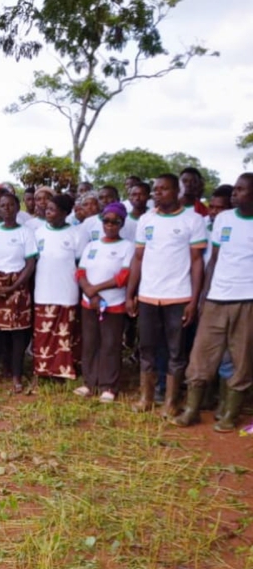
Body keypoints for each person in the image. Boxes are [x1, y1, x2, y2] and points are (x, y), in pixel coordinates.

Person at [176, 174, 253, 431]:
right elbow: (214, 260)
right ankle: (192, 409)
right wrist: (202, 297)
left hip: (247, 300)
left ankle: (229, 413)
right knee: (202, 354)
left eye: (241, 190)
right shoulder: (223, 219)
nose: (235, 194)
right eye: (235, 189)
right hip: (216, 298)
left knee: (241, 357)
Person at [126, 173, 206, 416]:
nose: (157, 193)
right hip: (148, 295)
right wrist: (130, 294)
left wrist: (194, 300)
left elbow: (197, 262)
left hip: (178, 296)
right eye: (156, 189)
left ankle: (171, 402)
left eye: (164, 189)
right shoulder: (146, 220)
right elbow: (138, 258)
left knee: (175, 351)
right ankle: (146, 397)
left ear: (177, 191)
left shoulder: (193, 220)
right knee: (147, 347)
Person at [0, 191, 38, 393]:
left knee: (18, 332)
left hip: (16, 285)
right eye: (3, 206)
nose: (7, 209)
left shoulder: (26, 232)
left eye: (11, 205)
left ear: (17, 208)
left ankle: (16, 375)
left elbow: (30, 263)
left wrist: (13, 287)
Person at [76, 203, 135, 402]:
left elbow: (124, 276)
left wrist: (96, 289)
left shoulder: (127, 246)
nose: (110, 225)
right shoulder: (92, 246)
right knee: (90, 343)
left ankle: (108, 385)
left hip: (113, 304)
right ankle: (89, 382)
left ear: (122, 223)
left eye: (115, 222)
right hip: (89, 303)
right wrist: (89, 292)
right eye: (106, 220)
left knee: (110, 344)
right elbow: (80, 272)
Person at [32, 194, 88, 383]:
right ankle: (42, 370)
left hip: (67, 291)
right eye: (47, 209)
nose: (47, 212)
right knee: (43, 333)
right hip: (43, 290)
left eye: (52, 209)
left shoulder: (77, 234)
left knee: (64, 333)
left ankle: (61, 371)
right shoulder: (39, 233)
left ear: (64, 213)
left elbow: (80, 264)